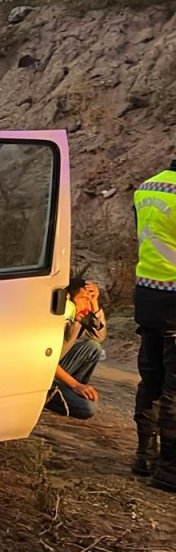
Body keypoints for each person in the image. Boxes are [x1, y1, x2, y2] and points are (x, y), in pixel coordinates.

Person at [132, 160, 176, 491]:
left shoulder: (146, 187)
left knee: (150, 381)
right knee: (174, 389)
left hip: (146, 294)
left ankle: (144, 456)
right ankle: (169, 470)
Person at [45, 279, 106, 419]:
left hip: (56, 371)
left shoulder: (77, 319)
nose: (87, 306)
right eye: (83, 299)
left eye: (89, 300)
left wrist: (94, 303)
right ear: (67, 300)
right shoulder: (55, 319)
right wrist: (76, 385)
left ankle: (67, 391)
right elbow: (45, 361)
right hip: (41, 374)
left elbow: (99, 336)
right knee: (87, 409)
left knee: (93, 347)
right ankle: (48, 397)